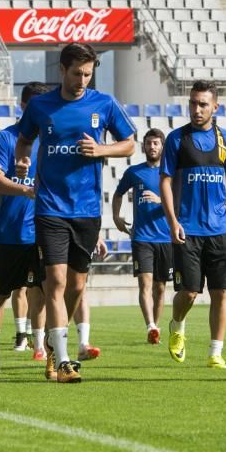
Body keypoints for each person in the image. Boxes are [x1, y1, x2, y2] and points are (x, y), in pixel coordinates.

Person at [15, 42, 136, 383]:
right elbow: (24, 140)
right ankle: (65, 361)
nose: (82, 80)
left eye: (88, 74)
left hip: (86, 210)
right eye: (76, 73)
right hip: (50, 207)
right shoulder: (40, 106)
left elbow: (129, 143)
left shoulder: (105, 104)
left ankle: (56, 344)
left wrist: (102, 149)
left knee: (76, 286)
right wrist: (23, 158)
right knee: (56, 280)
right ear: (62, 71)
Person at [160, 80, 226, 370]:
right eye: (193, 103)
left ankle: (215, 352)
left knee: (221, 292)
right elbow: (165, 181)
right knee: (190, 292)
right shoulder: (176, 139)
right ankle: (176, 325)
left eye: (203, 104)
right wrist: (172, 221)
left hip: (221, 230)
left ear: (215, 107)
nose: (196, 109)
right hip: (188, 230)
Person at [0, 82, 49, 373]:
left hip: (42, 230)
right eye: (33, 104)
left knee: (40, 291)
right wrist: (20, 182)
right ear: (23, 107)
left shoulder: (51, 140)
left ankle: (40, 347)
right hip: (10, 232)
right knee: (0, 294)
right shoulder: (6, 139)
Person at [113, 128, 173, 344]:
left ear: (163, 147)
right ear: (144, 146)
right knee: (145, 284)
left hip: (166, 238)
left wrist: (160, 200)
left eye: (156, 143)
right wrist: (116, 217)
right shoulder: (134, 172)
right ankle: (150, 325)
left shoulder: (171, 173)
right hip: (142, 237)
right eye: (149, 143)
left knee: (160, 287)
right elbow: (118, 194)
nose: (152, 147)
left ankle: (154, 329)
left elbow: (182, 202)